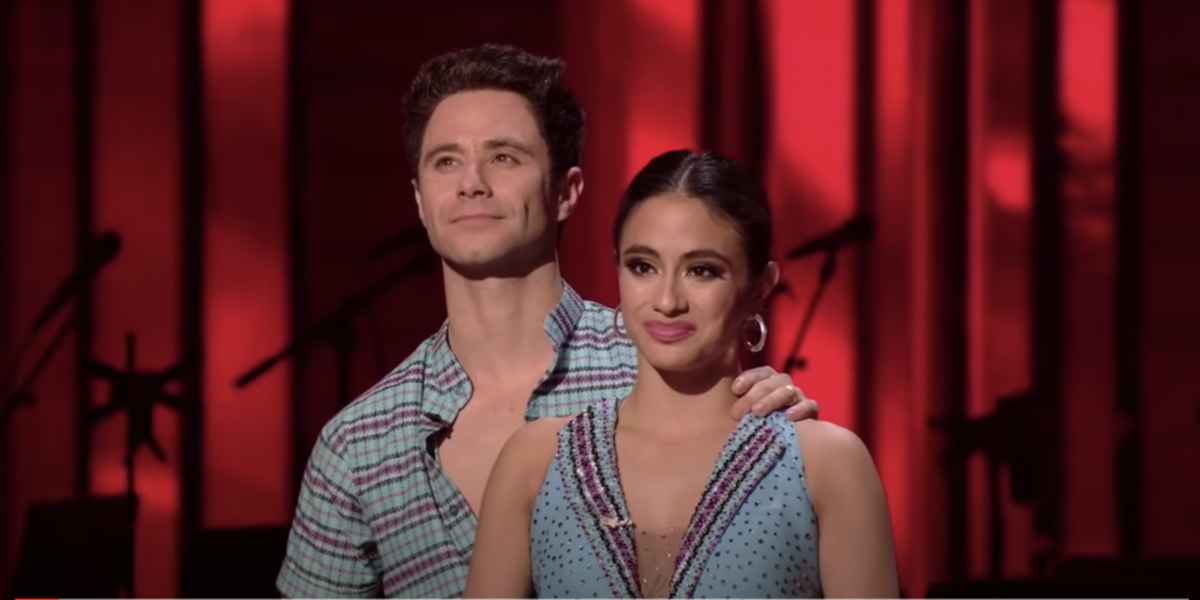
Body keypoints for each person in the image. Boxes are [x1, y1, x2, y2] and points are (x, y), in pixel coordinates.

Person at [275, 45, 820, 599]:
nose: (471, 183)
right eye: (446, 161)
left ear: (567, 191)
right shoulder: (359, 444)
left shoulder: (664, 368)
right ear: (419, 200)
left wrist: (779, 434)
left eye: (503, 157)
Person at [463, 150, 899, 599]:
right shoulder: (534, 462)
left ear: (759, 287)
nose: (667, 299)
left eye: (701, 270)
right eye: (643, 266)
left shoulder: (826, 465)